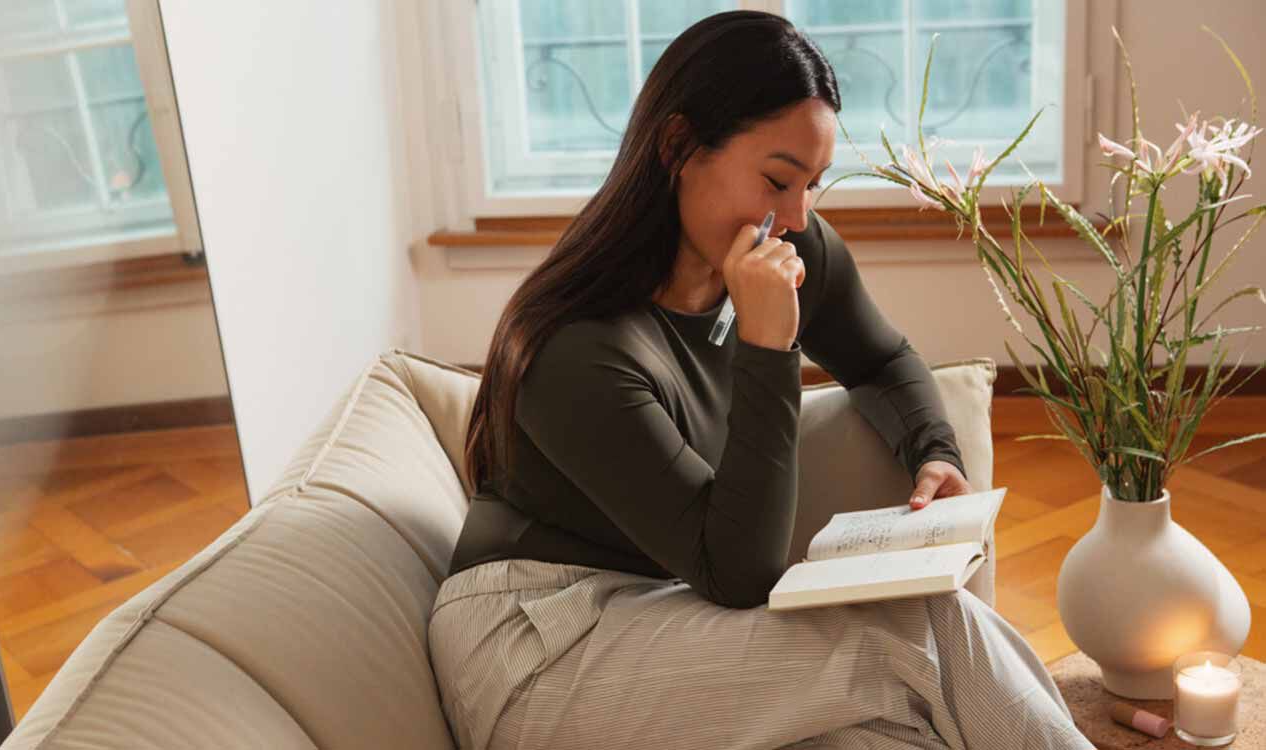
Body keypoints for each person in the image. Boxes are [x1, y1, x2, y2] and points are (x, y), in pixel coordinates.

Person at [428, 10, 1094, 750]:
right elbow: (739, 572)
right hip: (534, 648)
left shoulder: (787, 243)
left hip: (666, 601)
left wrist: (934, 450)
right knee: (919, 629)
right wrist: (768, 341)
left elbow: (881, 360)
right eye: (778, 179)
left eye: (814, 184)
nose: (797, 215)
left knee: (892, 730)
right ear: (678, 145)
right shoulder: (575, 349)